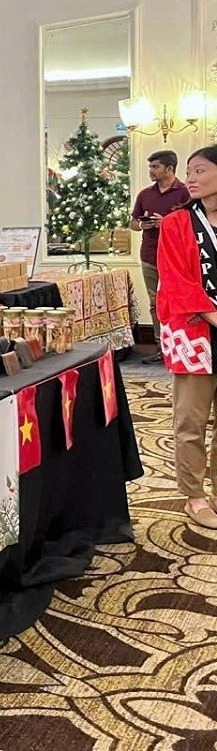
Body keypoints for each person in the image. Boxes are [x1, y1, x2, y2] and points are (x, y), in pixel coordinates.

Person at [156, 145, 217, 529]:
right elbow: (176, 281)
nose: (191, 178)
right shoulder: (176, 223)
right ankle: (194, 495)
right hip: (194, 334)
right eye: (189, 171)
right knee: (191, 421)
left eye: (200, 170)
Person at [132, 149, 190, 364]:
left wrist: (166, 223)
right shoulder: (145, 194)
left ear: (169, 168)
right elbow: (132, 223)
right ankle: (161, 347)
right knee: (155, 302)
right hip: (149, 255)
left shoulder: (185, 193)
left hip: (177, 257)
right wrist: (142, 224)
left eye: (155, 166)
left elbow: (193, 224)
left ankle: (180, 344)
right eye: (150, 166)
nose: (151, 170)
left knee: (177, 300)